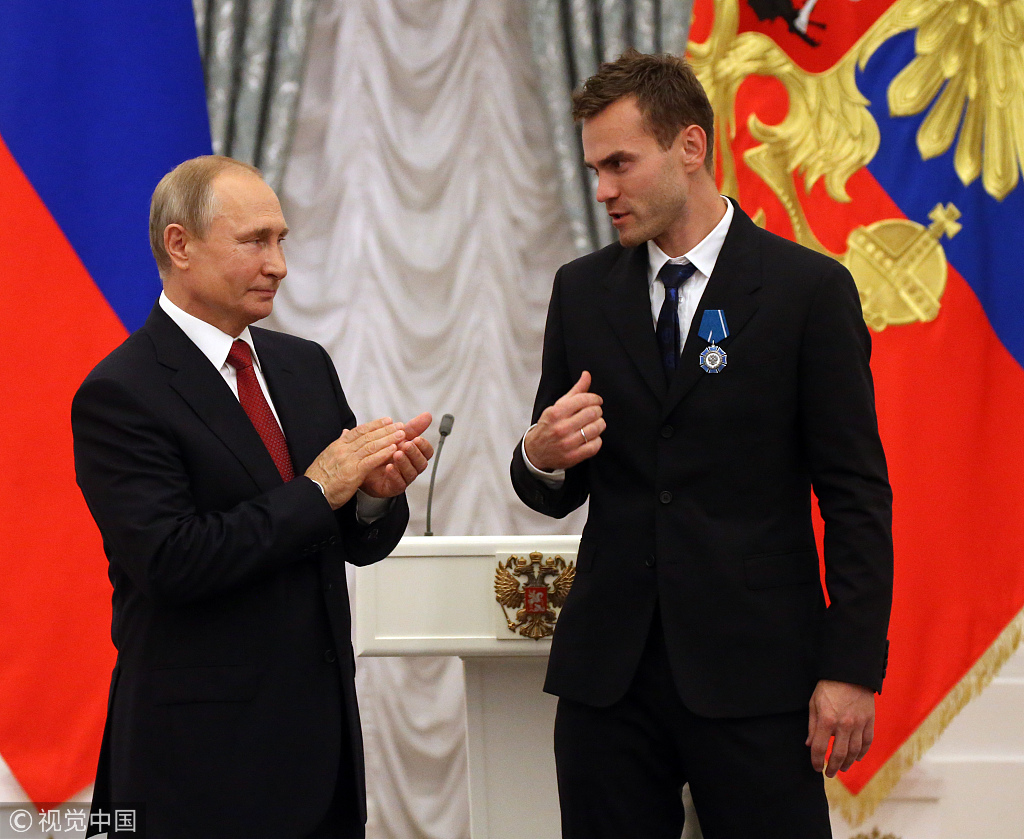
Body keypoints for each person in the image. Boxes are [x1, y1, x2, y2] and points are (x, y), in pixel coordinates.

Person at [510, 50, 893, 838]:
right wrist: (539, 455)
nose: (602, 189)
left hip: (758, 675)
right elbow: (559, 477)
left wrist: (851, 667)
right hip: (609, 681)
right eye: (594, 169)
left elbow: (855, 496)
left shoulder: (808, 292)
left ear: (690, 147)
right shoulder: (580, 290)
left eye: (620, 163)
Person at [72, 155, 433, 839]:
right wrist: (320, 489)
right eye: (255, 242)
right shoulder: (121, 392)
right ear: (180, 245)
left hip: (323, 755)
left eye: (281, 240)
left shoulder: (304, 365)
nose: (279, 265)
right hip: (198, 766)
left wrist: (372, 497)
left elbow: (349, 540)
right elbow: (171, 560)